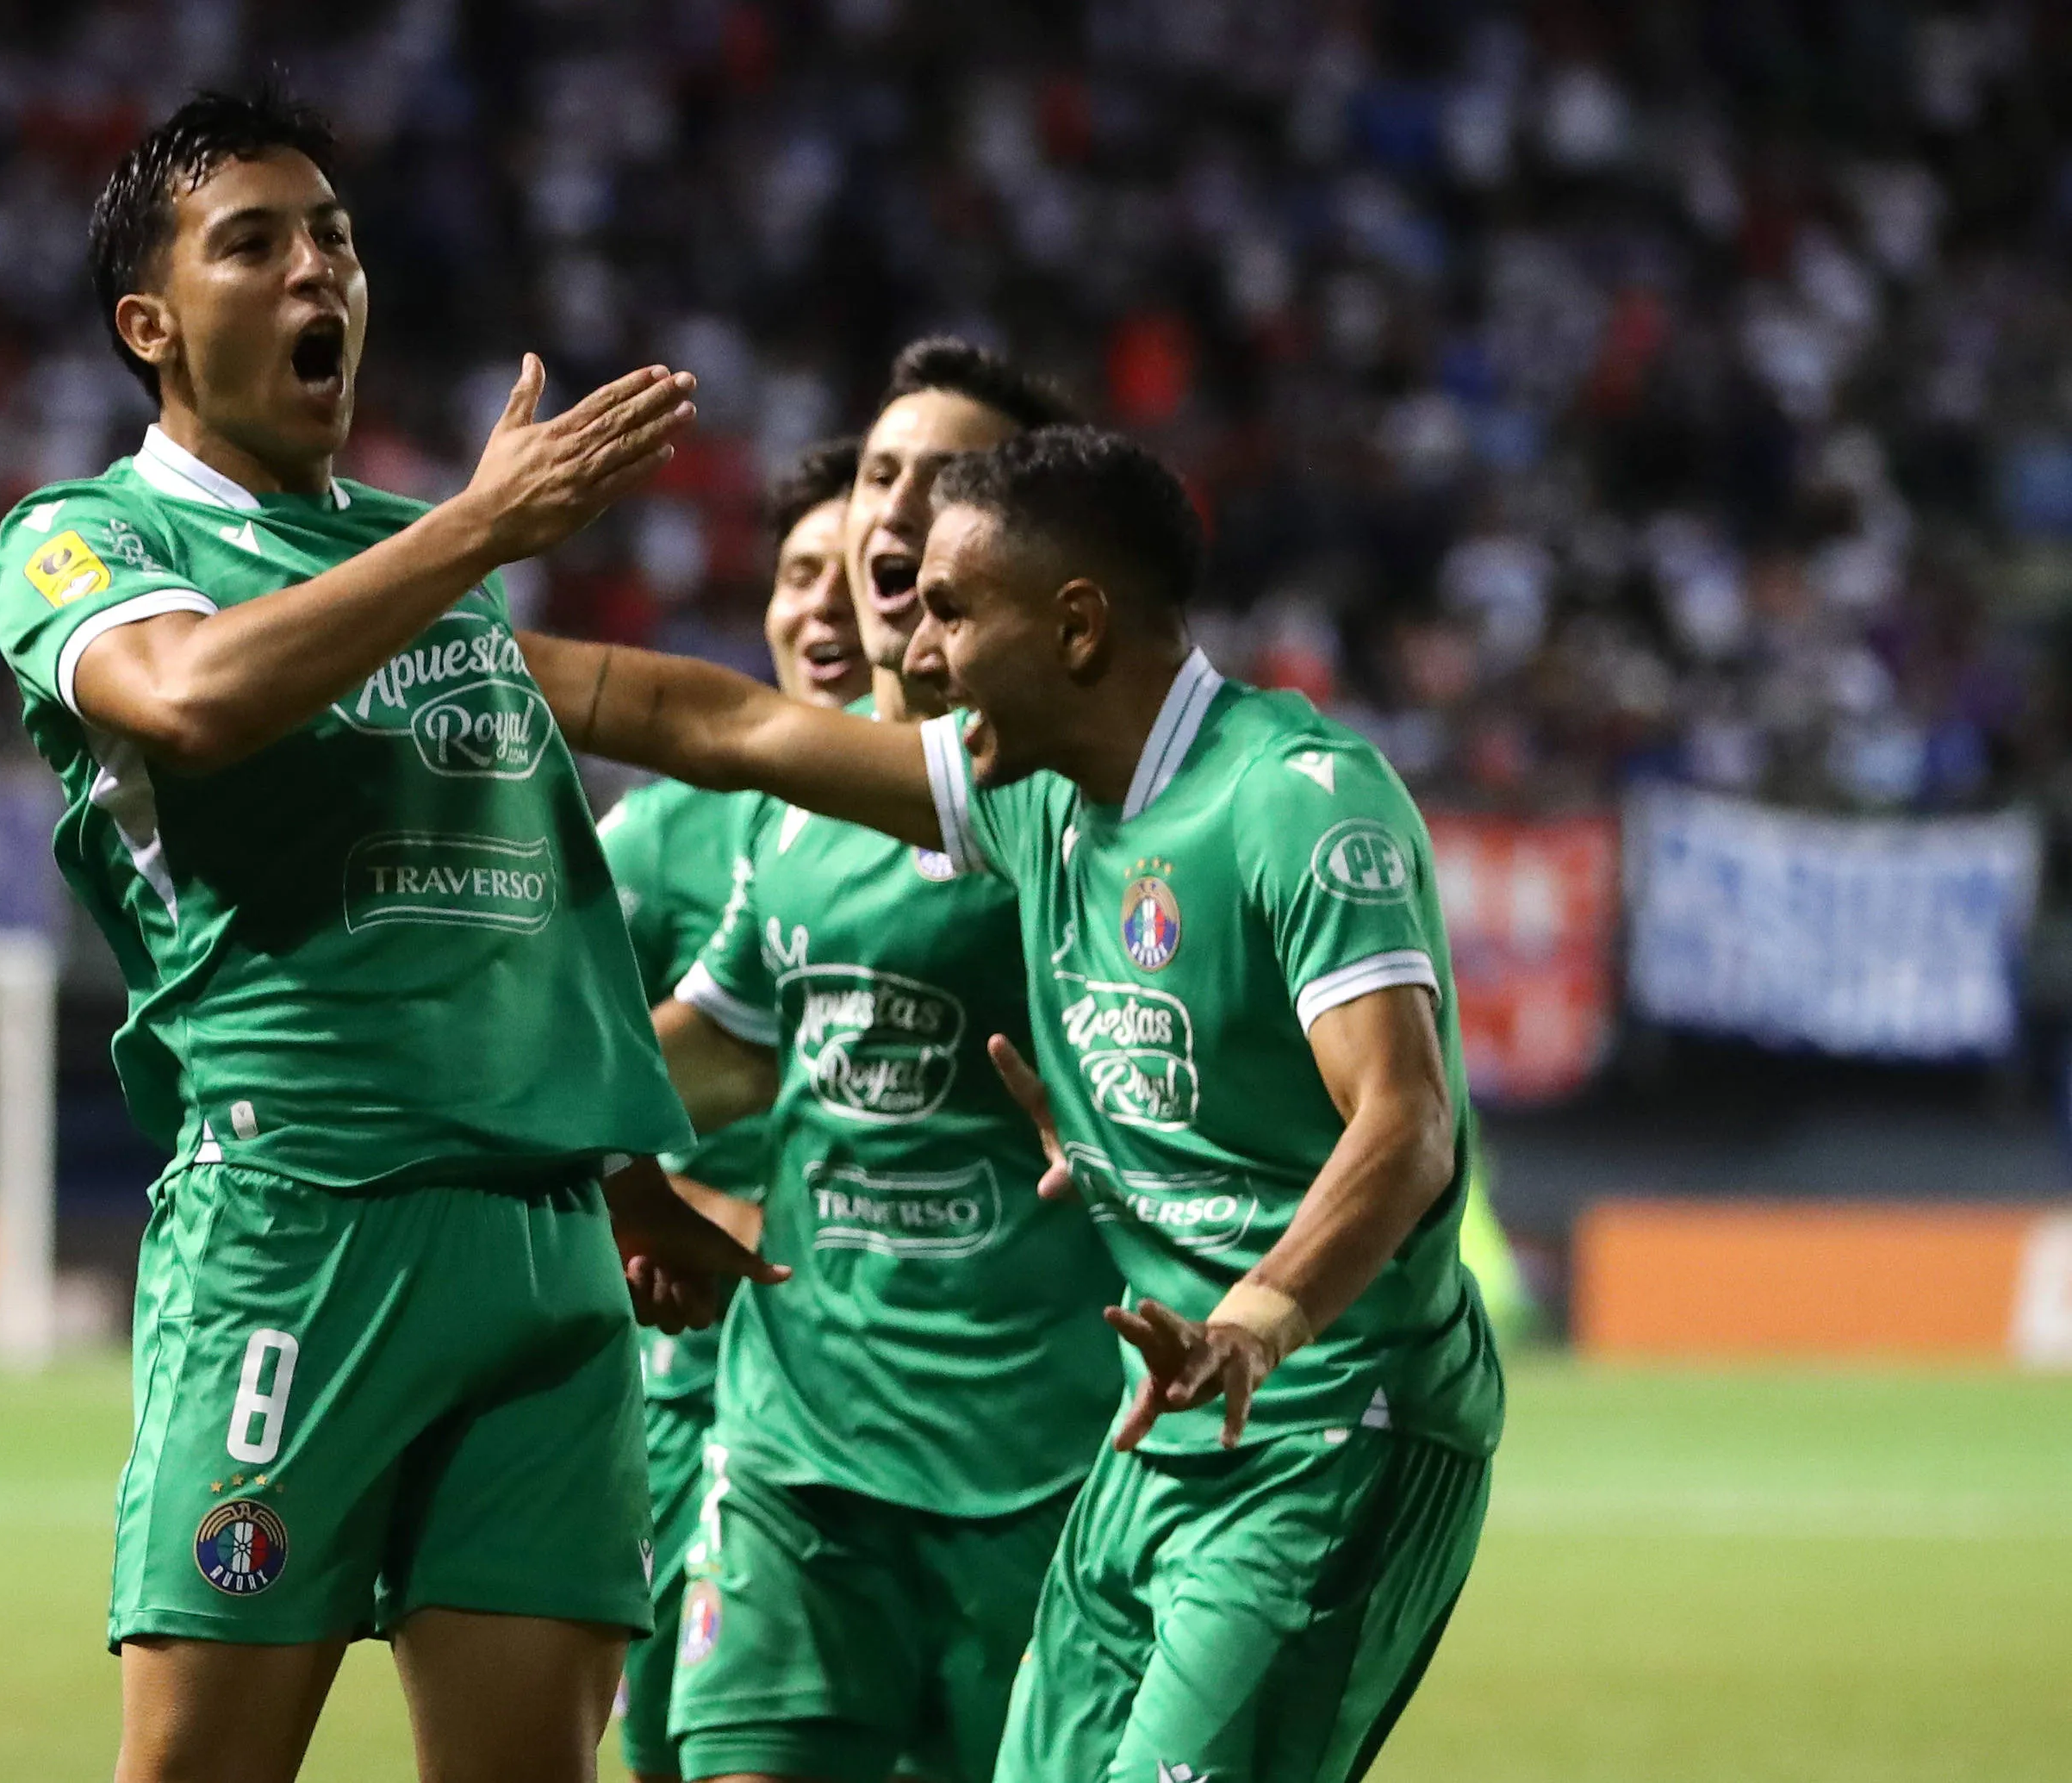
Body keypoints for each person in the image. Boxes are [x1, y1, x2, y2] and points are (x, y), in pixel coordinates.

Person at [0, 88, 778, 1783]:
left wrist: (622, 1176)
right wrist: (478, 526)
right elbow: (189, 697)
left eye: (331, 236)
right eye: (252, 244)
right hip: (302, 1231)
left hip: (545, 1265)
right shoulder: (89, 538)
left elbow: (511, 907)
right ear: (153, 324)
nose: (311, 270)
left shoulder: (419, 568)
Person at [519, 426, 1503, 1783]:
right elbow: (722, 727)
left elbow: (1403, 1120)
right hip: (1157, 1421)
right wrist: (411, 633)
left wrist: (1256, 1323)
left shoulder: (1293, 803)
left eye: (948, 614)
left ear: (1078, 627)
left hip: (1329, 1414)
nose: (912, 656)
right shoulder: (1033, 806)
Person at [649, 341, 1123, 1783]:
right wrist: (516, 1102)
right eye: (875, 475)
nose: (893, 512)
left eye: (947, 481)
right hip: (796, 1464)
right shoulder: (800, 800)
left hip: (1035, 1470)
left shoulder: (1082, 807)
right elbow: (718, 1059)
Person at [596, 436, 868, 1783]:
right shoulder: (657, 844)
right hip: (684, 1388)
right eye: (794, 574)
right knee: (667, 1745)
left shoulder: (1002, 832)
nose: (820, 606)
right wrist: (666, 1201)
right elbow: (548, 1062)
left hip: (889, 1383)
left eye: (856, 575)